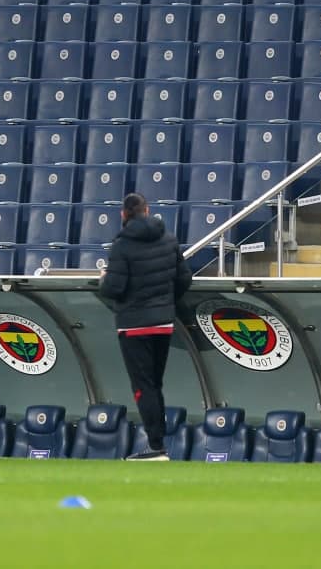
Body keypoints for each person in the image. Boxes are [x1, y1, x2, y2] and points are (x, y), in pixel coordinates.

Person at [97, 193, 192, 461]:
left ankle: (156, 446)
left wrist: (103, 279)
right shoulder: (169, 239)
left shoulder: (122, 245)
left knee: (143, 387)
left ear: (123, 214)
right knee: (154, 385)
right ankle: (157, 444)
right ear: (147, 211)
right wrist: (165, 303)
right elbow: (184, 279)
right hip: (163, 322)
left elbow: (114, 288)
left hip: (134, 325)